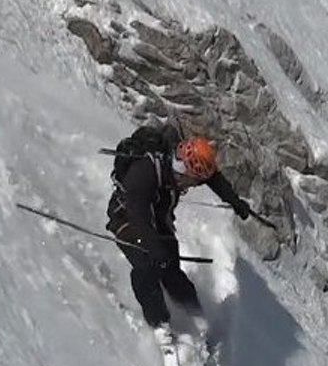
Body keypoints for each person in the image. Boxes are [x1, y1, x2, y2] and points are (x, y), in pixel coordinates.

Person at [106, 125, 252, 333]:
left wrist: (234, 201)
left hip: (159, 217)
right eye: (192, 182)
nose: (191, 187)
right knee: (147, 266)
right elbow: (137, 214)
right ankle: (160, 325)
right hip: (127, 218)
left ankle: (197, 317)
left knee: (172, 271)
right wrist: (154, 248)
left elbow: (213, 177)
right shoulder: (145, 172)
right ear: (185, 172)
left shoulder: (184, 164)